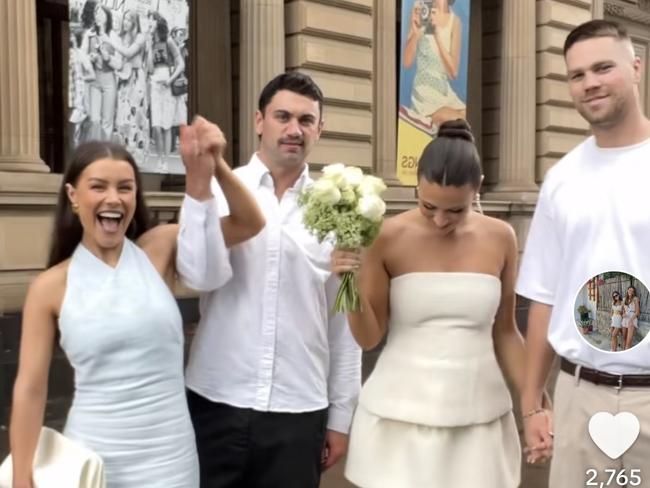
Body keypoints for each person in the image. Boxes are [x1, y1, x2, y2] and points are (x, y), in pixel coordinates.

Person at [9, 117, 265, 488]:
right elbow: (30, 389)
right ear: (73, 196)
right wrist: (21, 477)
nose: (113, 198)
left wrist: (214, 164)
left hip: (170, 461)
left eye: (125, 188)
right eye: (98, 186)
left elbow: (249, 222)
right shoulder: (49, 287)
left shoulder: (158, 248)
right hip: (94, 461)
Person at [176, 72, 362, 488]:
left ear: (320, 129)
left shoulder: (340, 211)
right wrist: (201, 183)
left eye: (306, 120)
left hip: (299, 409)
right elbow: (198, 276)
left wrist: (342, 416)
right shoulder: (223, 187)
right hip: (216, 398)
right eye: (283, 116)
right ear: (260, 121)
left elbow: (342, 320)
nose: (294, 129)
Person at [333, 119, 525, 487]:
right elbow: (369, 338)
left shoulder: (501, 237)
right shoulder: (386, 236)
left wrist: (534, 399)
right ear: (416, 184)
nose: (440, 220)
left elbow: (506, 332)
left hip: (479, 421)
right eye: (428, 206)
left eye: (456, 211)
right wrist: (348, 284)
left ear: (477, 190)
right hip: (398, 422)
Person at [518, 19, 650, 487]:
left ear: (636, 68)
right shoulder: (562, 180)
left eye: (602, 68)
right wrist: (532, 402)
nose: (589, 82)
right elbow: (543, 295)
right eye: (577, 75)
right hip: (578, 395)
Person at [400, 0, 466, 134]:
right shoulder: (421, 7)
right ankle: (426, 120)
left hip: (444, 90)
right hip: (425, 91)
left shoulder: (455, 21)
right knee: (457, 120)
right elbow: (406, 62)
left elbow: (453, 72)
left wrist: (437, 36)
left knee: (467, 117)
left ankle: (430, 125)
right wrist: (416, 33)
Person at [107, 10, 150, 161]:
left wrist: (112, 41)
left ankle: (135, 154)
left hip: (136, 78)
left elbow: (128, 53)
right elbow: (119, 59)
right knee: (122, 115)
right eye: (124, 19)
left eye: (129, 20)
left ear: (134, 22)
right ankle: (124, 152)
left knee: (135, 115)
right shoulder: (122, 36)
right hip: (124, 77)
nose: (125, 22)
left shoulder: (140, 37)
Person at [146, 11, 184, 173]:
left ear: (157, 22)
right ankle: (160, 157)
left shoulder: (168, 41)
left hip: (167, 86)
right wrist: (148, 47)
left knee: (167, 126)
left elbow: (181, 63)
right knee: (155, 125)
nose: (149, 23)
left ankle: (165, 161)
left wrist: (170, 80)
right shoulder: (150, 43)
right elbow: (149, 68)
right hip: (154, 84)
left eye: (151, 20)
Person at [80, 1, 122, 141]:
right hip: (94, 80)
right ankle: (96, 152)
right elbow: (82, 56)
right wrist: (89, 58)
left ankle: (105, 153)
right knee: (95, 120)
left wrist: (108, 58)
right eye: (96, 13)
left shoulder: (114, 37)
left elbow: (119, 64)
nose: (97, 16)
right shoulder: (89, 35)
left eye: (101, 13)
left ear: (107, 17)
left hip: (109, 80)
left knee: (107, 122)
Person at [622, 285, 641, 350]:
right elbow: (623, 310)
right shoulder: (624, 299)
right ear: (627, 290)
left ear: (634, 292)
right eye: (630, 290)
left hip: (632, 318)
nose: (631, 292)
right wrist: (624, 314)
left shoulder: (635, 298)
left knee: (628, 341)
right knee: (624, 338)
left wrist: (631, 320)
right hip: (625, 319)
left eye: (632, 291)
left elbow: (637, 312)